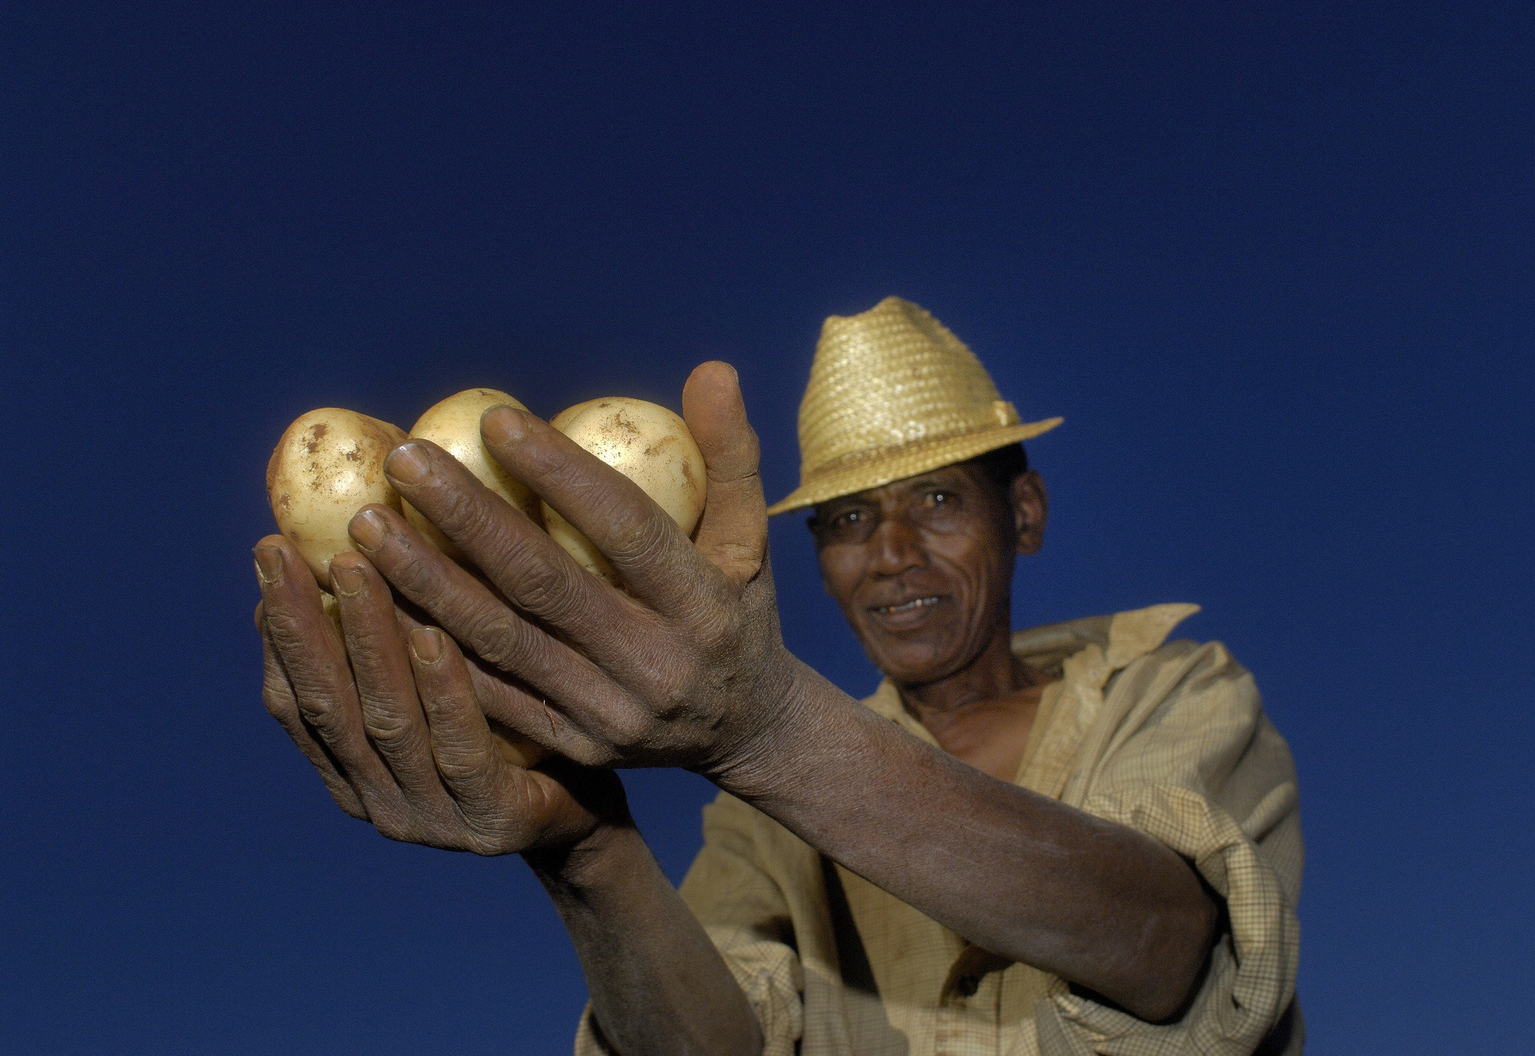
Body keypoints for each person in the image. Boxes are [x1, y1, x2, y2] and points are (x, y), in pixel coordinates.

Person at [254, 297, 1302, 1055]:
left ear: (1021, 513)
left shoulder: (1171, 687)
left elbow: (1168, 940)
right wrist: (587, 850)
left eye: (935, 502)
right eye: (847, 521)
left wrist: (772, 735)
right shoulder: (761, 829)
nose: (889, 552)